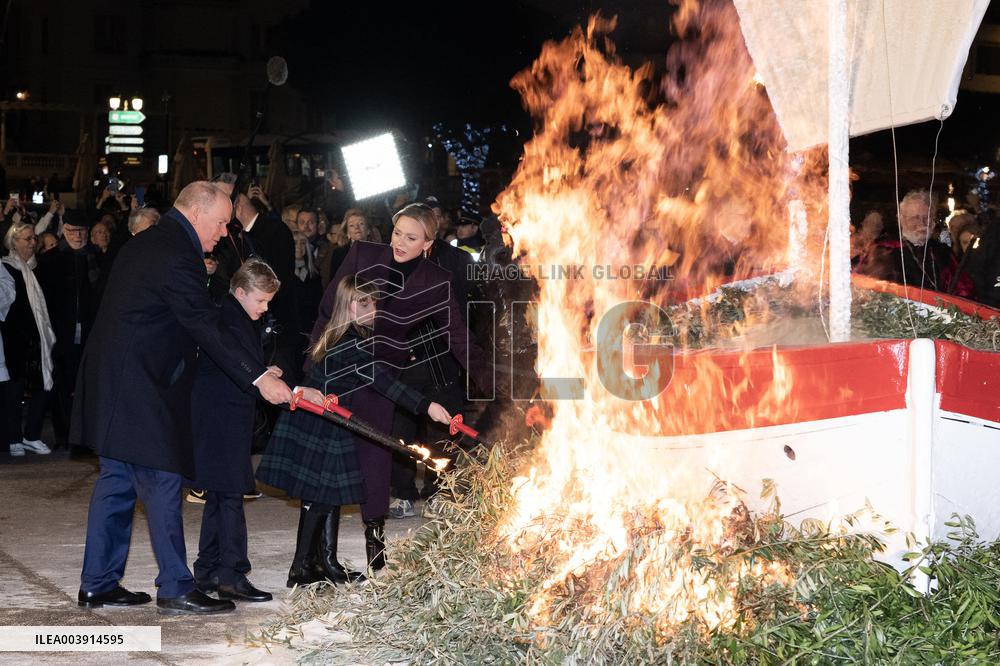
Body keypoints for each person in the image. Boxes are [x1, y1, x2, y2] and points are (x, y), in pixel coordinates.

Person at [74, 181, 292, 615]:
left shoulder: (149, 241)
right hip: (140, 385)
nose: (223, 232)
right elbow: (200, 323)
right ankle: (175, 586)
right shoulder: (177, 252)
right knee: (163, 478)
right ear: (196, 213)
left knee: (117, 483)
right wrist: (257, 378)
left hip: (117, 380)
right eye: (220, 222)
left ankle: (98, 583)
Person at [312, 203, 491, 562]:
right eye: (397, 233)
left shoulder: (436, 280)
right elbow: (328, 307)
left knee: (377, 459)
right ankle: (315, 557)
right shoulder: (362, 254)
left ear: (428, 243)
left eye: (411, 238)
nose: (400, 242)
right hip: (340, 368)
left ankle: (374, 545)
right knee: (325, 459)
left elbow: (458, 337)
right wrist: (311, 367)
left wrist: (492, 384)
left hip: (382, 378)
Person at [257, 276, 452, 580]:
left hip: (327, 421)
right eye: (368, 303)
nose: (375, 309)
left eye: (374, 302)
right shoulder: (349, 343)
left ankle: (322, 563)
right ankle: (303, 567)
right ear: (350, 305)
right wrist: (427, 406)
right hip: (320, 424)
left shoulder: (343, 335)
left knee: (324, 495)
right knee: (320, 496)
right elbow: (383, 381)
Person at [190, 259, 279, 603]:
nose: (265, 307)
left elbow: (240, 361)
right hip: (219, 418)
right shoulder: (227, 318)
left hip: (222, 417)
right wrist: (260, 376)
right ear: (240, 292)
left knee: (219, 494)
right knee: (229, 496)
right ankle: (232, 574)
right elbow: (231, 360)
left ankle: (208, 570)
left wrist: (263, 370)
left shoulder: (237, 316)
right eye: (261, 300)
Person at [1, 223, 55, 456]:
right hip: (14, 339)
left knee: (44, 385)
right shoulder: (5, 267)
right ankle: (14, 437)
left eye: (34, 238)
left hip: (38, 338)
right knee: (14, 390)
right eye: (26, 239)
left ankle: (32, 435)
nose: (32, 243)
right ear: (14, 242)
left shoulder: (38, 268)